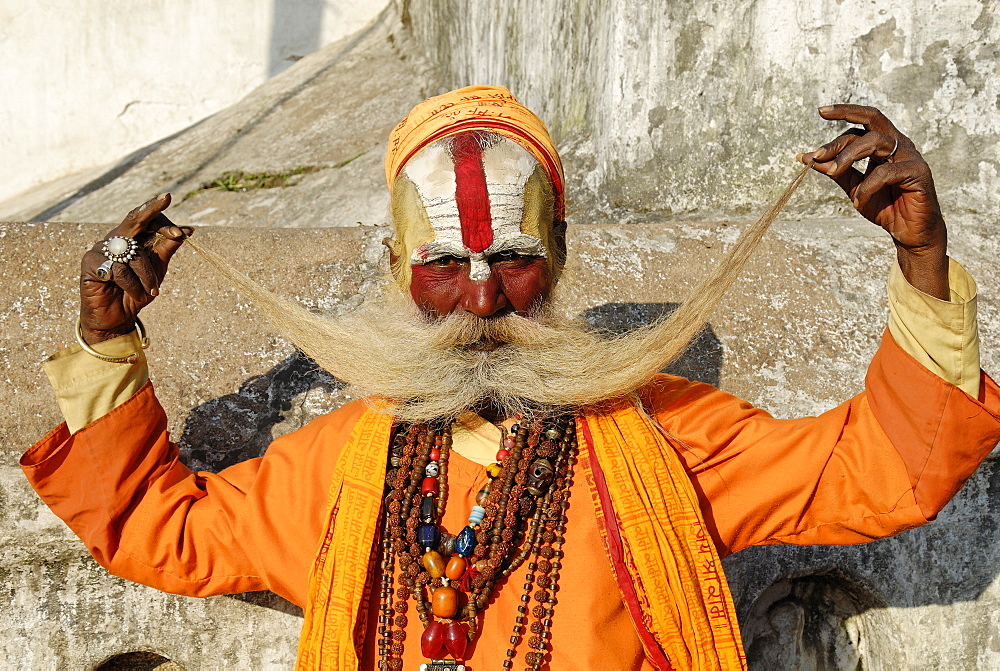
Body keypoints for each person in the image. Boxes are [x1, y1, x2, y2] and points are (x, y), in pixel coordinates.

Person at [22, 86, 1000, 671]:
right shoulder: (343, 468)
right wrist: (107, 342)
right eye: (445, 261)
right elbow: (165, 530)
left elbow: (884, 469)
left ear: (562, 258)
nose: (481, 300)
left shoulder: (667, 439)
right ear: (398, 267)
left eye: (515, 260)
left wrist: (920, 260)